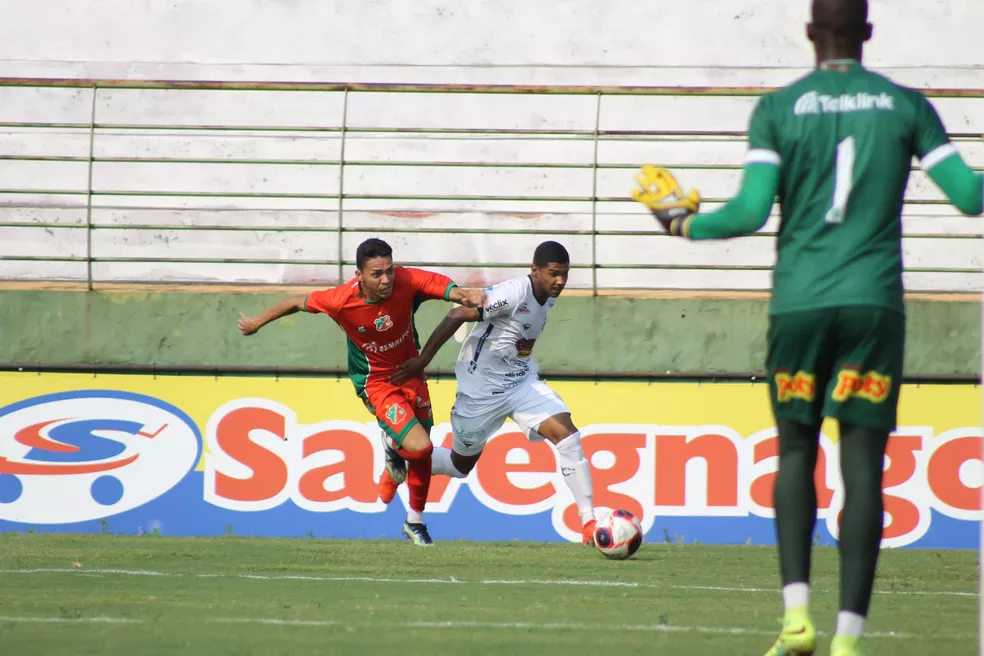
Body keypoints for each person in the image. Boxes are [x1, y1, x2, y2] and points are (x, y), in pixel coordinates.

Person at [630, 0, 983, 653]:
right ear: (868, 33)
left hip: (799, 305)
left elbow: (747, 213)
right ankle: (849, 640)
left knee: (795, 452)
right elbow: (969, 197)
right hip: (874, 306)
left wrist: (681, 223)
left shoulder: (778, 109)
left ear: (810, 34)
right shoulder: (908, 105)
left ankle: (796, 619)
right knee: (864, 467)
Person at [238, 238, 486, 546]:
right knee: (420, 448)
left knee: (420, 450)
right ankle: (393, 447)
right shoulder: (340, 300)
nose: (386, 279)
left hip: (410, 372)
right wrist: (255, 323)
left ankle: (415, 521)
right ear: (359, 275)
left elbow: (439, 285)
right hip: (377, 382)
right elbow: (294, 303)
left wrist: (464, 295)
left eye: (389, 271)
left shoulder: (405, 280)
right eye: (377, 273)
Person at [390, 241, 598, 545]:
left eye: (564, 275)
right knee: (460, 467)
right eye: (554, 274)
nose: (560, 281)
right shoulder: (513, 294)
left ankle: (589, 522)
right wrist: (422, 361)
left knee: (568, 436)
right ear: (535, 270)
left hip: (520, 382)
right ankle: (402, 457)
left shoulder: (548, 295)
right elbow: (458, 313)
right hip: (481, 391)